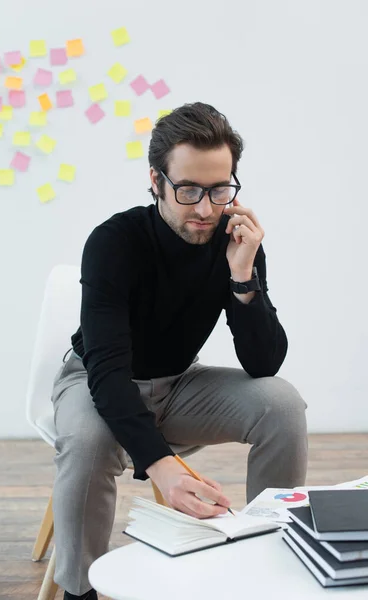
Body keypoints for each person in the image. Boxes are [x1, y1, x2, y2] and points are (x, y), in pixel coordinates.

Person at [50, 102, 308, 600]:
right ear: (156, 180)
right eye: (188, 190)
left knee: (283, 404)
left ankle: (274, 561)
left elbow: (263, 363)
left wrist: (242, 274)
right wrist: (164, 467)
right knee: (87, 443)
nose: (207, 208)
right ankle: (78, 591)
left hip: (179, 383)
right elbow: (107, 369)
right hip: (96, 380)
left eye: (220, 188)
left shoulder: (234, 239)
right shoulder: (113, 242)